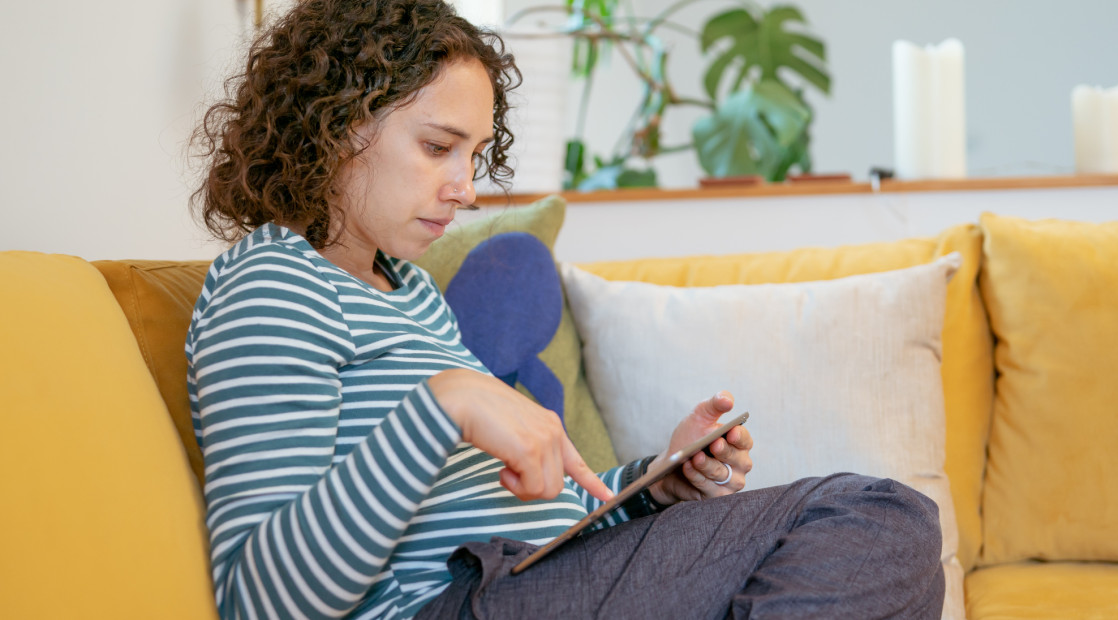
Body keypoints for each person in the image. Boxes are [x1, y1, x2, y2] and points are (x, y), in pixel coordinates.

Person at [187, 1, 945, 618]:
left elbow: (514, 511)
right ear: (336, 125)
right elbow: (263, 600)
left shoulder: (408, 291)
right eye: (437, 147)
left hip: (529, 578)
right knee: (872, 518)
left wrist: (654, 485)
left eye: (476, 155)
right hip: (454, 600)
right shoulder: (271, 286)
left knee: (880, 529)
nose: (467, 188)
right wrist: (440, 404)